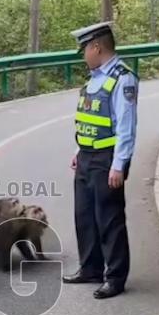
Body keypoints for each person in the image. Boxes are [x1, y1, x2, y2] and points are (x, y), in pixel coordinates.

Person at [61, 22, 138, 300]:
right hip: (86, 156)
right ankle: (90, 267)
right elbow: (90, 120)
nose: (82, 55)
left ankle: (115, 276)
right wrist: (78, 150)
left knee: (109, 219)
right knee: (85, 216)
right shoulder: (93, 78)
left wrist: (119, 164)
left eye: (84, 49)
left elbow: (126, 127)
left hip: (107, 159)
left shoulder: (122, 78)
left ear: (97, 47)